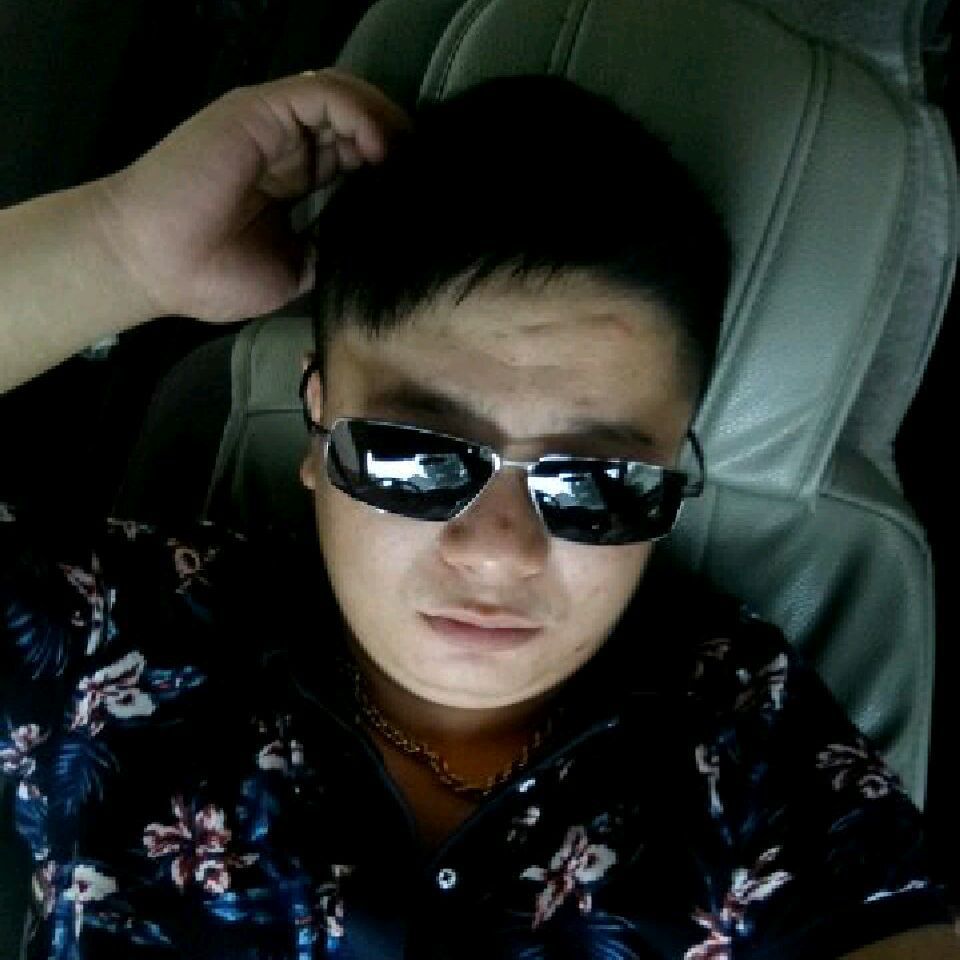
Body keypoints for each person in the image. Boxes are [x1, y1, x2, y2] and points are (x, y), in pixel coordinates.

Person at [0, 68, 957, 960]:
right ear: (318, 425)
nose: (498, 553)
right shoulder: (129, 635)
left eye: (596, 481)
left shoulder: (746, 733)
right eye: (414, 455)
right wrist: (119, 243)